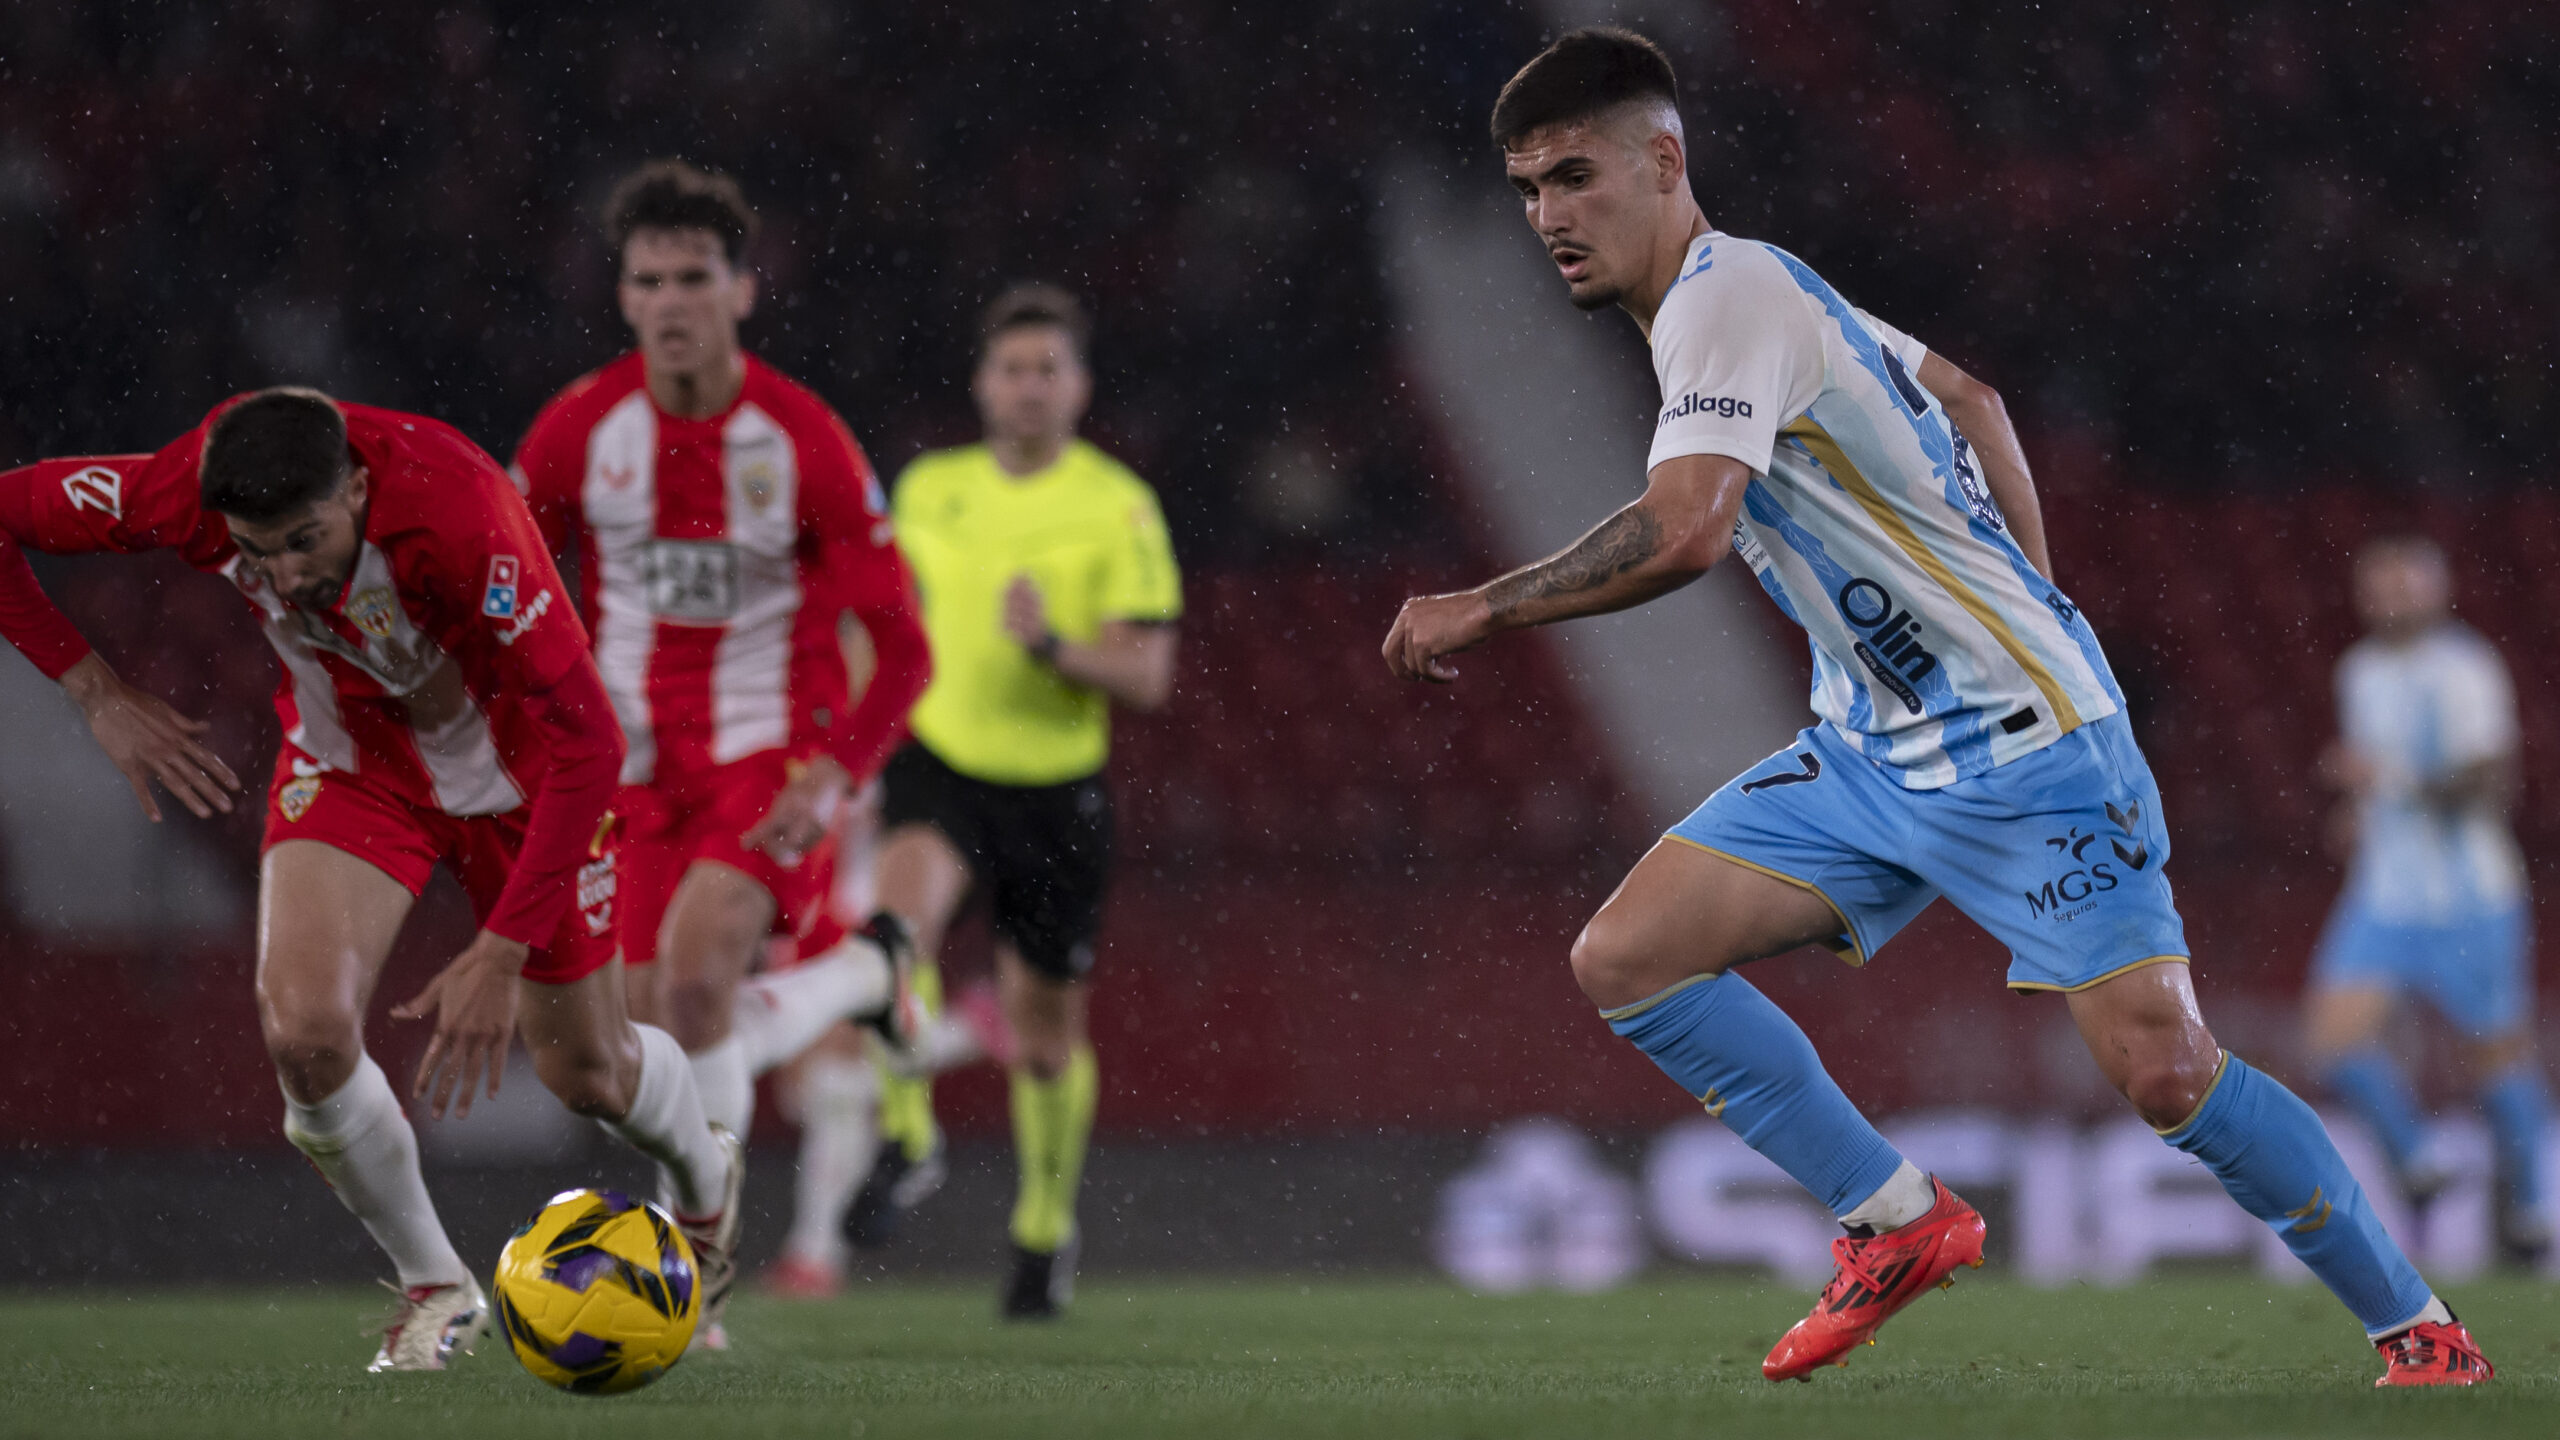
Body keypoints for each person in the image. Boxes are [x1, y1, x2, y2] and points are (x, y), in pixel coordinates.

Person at [1380, 28, 2490, 1387]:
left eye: (1574, 178)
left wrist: (1479, 608)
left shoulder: (1727, 304)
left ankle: (2419, 1330)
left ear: (1664, 161)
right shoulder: (1755, 295)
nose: (1550, 216)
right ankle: (1895, 1220)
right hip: (1870, 754)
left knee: (2166, 1077)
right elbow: (1969, 396)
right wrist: (2024, 583)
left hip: (2034, 756)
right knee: (1629, 957)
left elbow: (1686, 532)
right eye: (1528, 191)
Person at [0, 388, 741, 1372]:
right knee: (303, 1037)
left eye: (306, 540)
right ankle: (438, 1289)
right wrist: (92, 688)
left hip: (526, 782)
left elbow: (590, 745)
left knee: (588, 1073)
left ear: (356, 486)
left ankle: (703, 1174)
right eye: (257, 551)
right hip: (356, 768)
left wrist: (501, 946)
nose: (284, 573)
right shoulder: (183, 489)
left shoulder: (463, 515)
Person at [508, 160, 932, 1345]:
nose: (673, 300)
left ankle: (690, 1281)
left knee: (696, 989)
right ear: (623, 296)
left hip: (770, 759)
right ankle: (863, 977)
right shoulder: (577, 435)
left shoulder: (800, 440)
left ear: (744, 290)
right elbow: (509, 598)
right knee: (659, 1037)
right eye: (649, 280)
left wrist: (834, 771)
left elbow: (901, 650)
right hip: (629, 771)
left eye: (696, 276)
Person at [858, 283, 1182, 1317]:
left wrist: (1050, 646)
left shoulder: (1118, 505)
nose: (1029, 386)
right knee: (887, 937)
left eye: (1048, 369)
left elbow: (1147, 677)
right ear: (981, 384)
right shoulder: (926, 489)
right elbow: (881, 625)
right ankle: (907, 1135)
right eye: (1012, 369)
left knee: (1044, 1043)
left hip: (1053, 793)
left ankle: (1043, 1227)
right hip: (940, 764)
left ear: (1078, 386)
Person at [2306, 536, 2550, 1265]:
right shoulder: (2359, 671)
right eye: (2377, 585)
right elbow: (2376, 779)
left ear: (2434, 591)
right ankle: (2417, 1162)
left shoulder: (2465, 668)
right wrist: (2358, 810)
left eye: (2404, 585)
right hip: (2384, 894)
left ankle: (2532, 1209)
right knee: (2333, 1043)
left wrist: (2393, 780)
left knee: (2498, 1061)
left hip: (2469, 896)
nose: (2390, 598)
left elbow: (2490, 783)